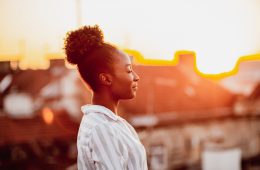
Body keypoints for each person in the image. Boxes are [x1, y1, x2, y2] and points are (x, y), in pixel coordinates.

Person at [64, 25, 148, 170]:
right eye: (128, 70)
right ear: (106, 79)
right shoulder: (102, 128)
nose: (136, 77)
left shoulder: (111, 123)